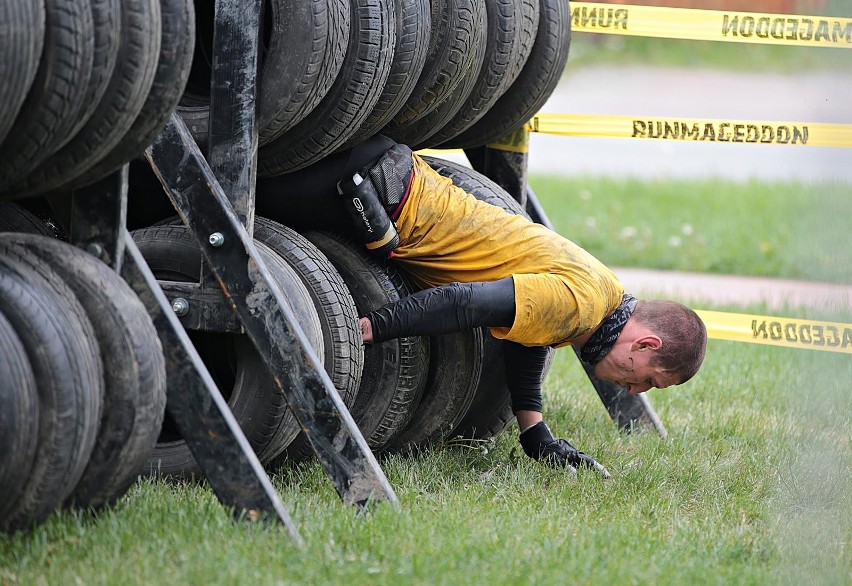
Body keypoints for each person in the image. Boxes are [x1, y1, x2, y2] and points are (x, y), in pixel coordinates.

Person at [256, 135, 708, 476]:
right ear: (647, 343)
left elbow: (531, 333)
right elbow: (464, 303)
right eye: (649, 380)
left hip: (387, 178)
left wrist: (535, 433)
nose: (634, 391)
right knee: (234, 192)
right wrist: (369, 329)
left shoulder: (602, 295)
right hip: (369, 190)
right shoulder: (582, 305)